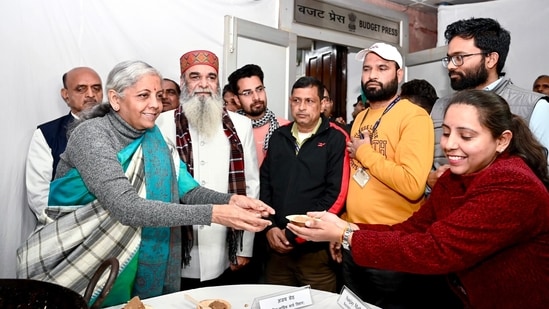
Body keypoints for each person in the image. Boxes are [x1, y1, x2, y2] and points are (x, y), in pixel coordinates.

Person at [17, 60, 274, 307]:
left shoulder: (153, 136)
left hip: (133, 260)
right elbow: (126, 207)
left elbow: (189, 189)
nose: (155, 104)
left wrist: (230, 200)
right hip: (77, 258)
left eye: (158, 95)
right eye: (143, 96)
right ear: (116, 99)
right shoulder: (92, 135)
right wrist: (216, 214)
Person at [288, 89, 549, 309]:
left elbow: (437, 249)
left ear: (502, 140)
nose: (450, 145)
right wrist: (344, 228)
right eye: (446, 133)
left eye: (466, 136)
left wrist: (346, 235)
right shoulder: (452, 178)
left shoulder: (513, 183)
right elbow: (412, 229)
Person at [156, 50, 260, 289]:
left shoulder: (241, 125)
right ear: (183, 82)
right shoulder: (161, 123)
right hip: (175, 244)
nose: (204, 84)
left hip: (222, 244)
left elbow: (251, 187)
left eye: (211, 77)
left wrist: (244, 247)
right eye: (195, 76)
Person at [343, 42, 436, 307]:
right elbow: (356, 178)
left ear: (399, 74)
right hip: (355, 236)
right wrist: (343, 227)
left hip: (393, 241)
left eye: (382, 68)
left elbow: (412, 185)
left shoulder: (415, 117)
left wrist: (366, 153)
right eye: (367, 69)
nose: (372, 75)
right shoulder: (361, 118)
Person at [430, 17, 549, 188]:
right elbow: (428, 166)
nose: (450, 66)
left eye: (459, 58)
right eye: (449, 59)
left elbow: (543, 176)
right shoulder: (440, 106)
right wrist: (429, 180)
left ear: (491, 59)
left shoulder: (534, 107)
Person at [260, 76, 350, 292]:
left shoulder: (336, 138)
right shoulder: (278, 137)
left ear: (322, 104)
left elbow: (336, 195)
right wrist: (270, 227)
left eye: (309, 101)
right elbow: (265, 185)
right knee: (274, 302)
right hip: (277, 246)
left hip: (315, 250)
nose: (301, 107)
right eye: (296, 101)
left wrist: (296, 235)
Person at [25, 67, 103, 227]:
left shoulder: (120, 128)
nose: (90, 94)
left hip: (113, 227)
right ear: (65, 94)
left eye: (96, 88)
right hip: (63, 228)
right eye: (81, 89)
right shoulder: (47, 134)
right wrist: (66, 227)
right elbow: (39, 194)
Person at [227, 64, 290, 166]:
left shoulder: (286, 127)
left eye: (259, 89)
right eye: (247, 93)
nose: (256, 97)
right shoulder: (230, 130)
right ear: (237, 100)